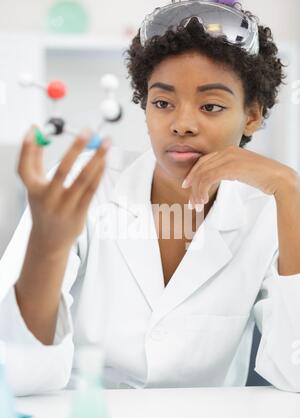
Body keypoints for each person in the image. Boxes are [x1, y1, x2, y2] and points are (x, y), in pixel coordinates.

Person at [1, 0, 300, 396]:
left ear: (252, 116)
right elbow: (16, 374)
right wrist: (47, 250)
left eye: (211, 106)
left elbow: (295, 371)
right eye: (163, 103)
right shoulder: (84, 185)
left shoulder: (268, 211)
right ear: (145, 108)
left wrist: (291, 190)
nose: (182, 124)